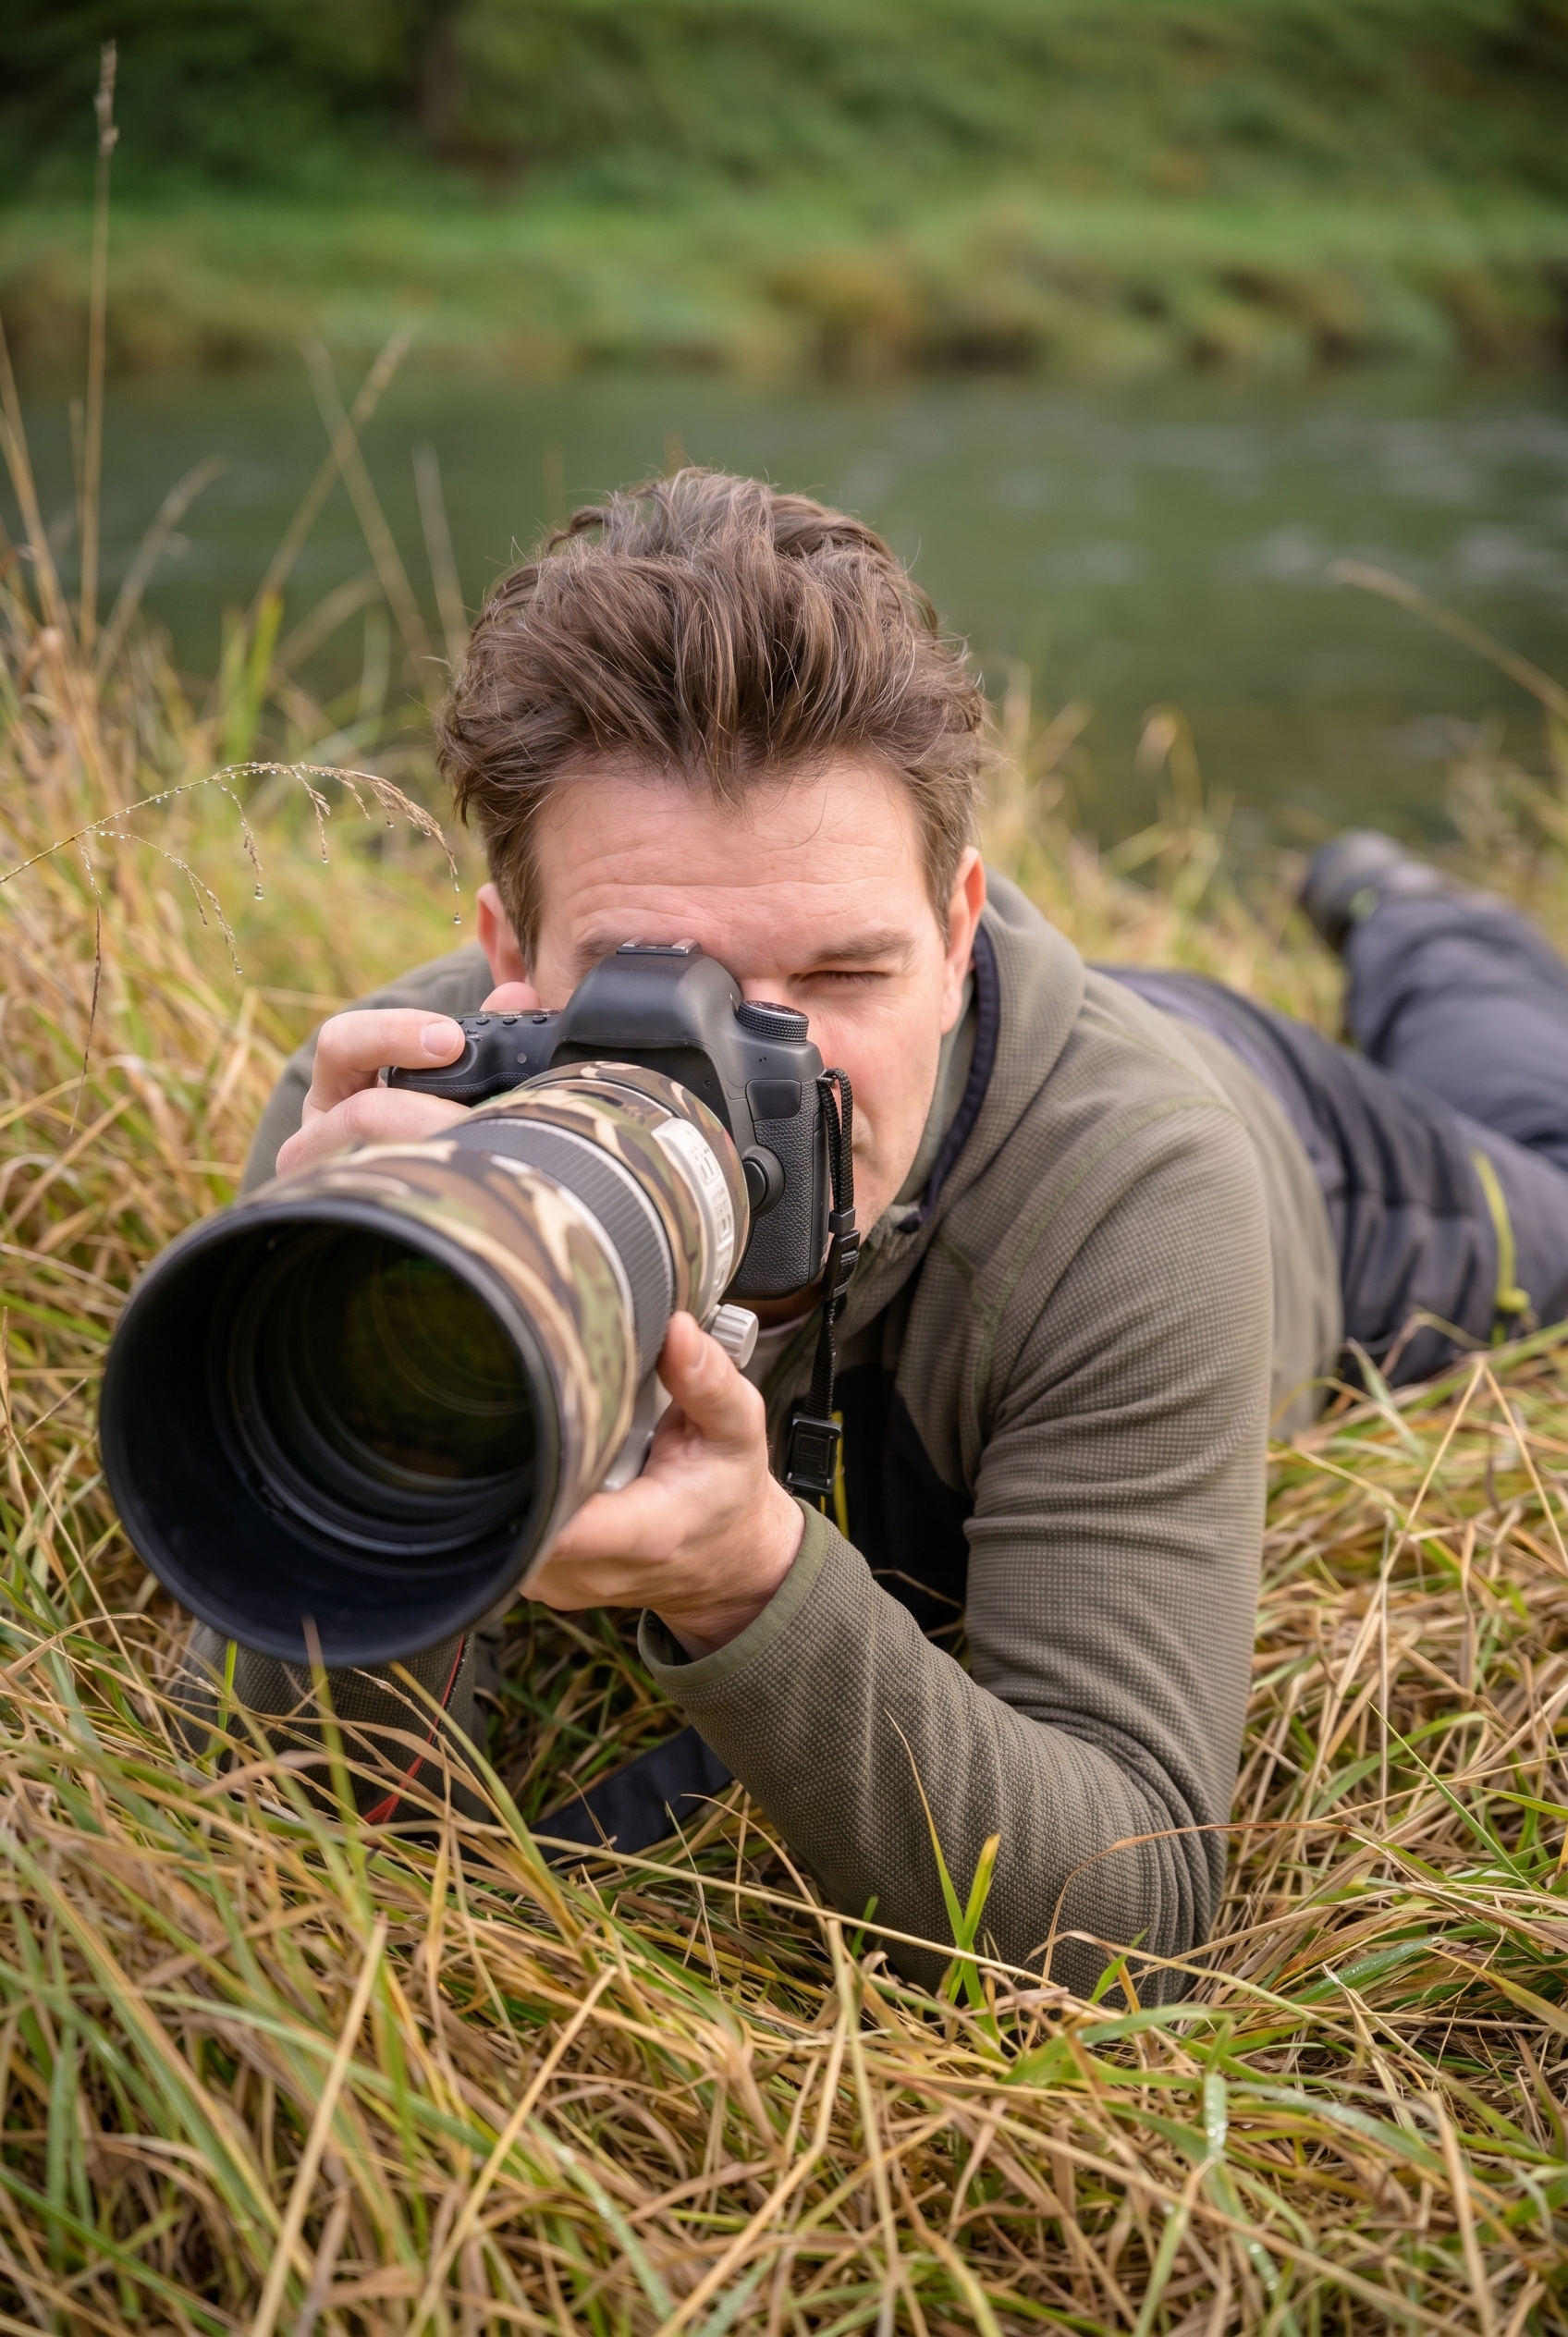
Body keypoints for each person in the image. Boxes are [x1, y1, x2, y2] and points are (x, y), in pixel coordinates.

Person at [227, 470, 1568, 2001]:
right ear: (507, 960)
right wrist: (356, 1364)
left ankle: (1412, 919)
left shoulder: (1136, 1189)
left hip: (1302, 1148)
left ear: (956, 934)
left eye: (844, 973)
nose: (759, 1066)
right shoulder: (398, 1123)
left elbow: (1133, 1918)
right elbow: (304, 1802)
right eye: (658, 975)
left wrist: (744, 1582)